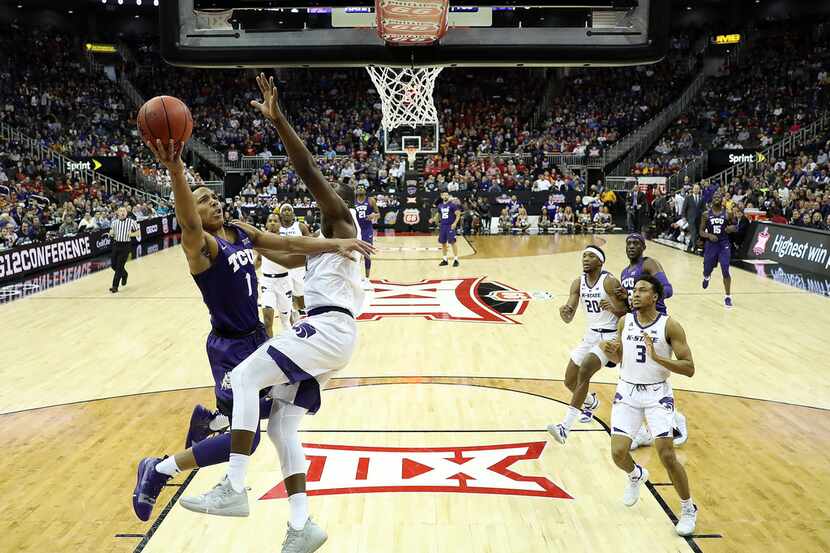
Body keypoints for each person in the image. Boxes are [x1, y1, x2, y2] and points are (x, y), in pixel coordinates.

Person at [130, 135, 370, 526]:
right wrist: (175, 167)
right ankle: (158, 469)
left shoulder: (240, 232)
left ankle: (212, 423)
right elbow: (188, 219)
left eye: (214, 196)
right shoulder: (201, 244)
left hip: (257, 337)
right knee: (252, 437)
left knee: (274, 420)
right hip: (227, 347)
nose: (213, 203)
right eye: (204, 199)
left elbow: (290, 245)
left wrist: (332, 244)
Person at [178, 74, 373, 553]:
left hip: (326, 327)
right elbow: (278, 247)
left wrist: (279, 120)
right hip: (334, 337)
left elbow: (307, 169)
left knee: (243, 379)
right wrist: (241, 237)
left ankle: (234, 488)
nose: (320, 198)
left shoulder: (342, 224)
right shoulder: (323, 249)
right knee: (282, 426)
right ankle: (303, 524)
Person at [598, 275, 698, 537]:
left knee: (666, 455)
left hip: (657, 395)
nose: (635, 294)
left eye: (642, 290)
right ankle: (635, 475)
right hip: (627, 391)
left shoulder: (670, 326)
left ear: (655, 297)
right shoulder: (624, 321)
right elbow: (620, 358)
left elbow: (689, 368)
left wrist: (657, 357)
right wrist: (608, 350)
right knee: (618, 452)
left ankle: (688, 508)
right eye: (634, 290)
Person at [547, 246, 627, 445]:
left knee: (584, 372)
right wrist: (564, 312)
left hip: (610, 337)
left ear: (600, 261)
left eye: (591, 256)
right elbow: (569, 316)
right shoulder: (578, 283)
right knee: (569, 381)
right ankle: (591, 403)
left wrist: (615, 309)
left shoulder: (609, 281)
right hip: (590, 336)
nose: (586, 259)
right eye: (584, 256)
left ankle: (565, 427)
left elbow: (627, 313)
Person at [617, 234, 688, 449]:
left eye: (636, 243)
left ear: (644, 247)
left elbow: (668, 289)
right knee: (630, 374)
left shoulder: (649, 263)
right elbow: (630, 305)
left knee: (653, 376)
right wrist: (624, 298)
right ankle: (640, 432)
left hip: (656, 324)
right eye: (628, 243)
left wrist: (650, 293)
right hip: (636, 324)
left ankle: (675, 420)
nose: (631, 247)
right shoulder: (624, 272)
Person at [258, 213, 294, 337]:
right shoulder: (261, 240)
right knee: (267, 320)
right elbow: (258, 261)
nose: (273, 223)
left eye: (275, 221)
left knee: (286, 321)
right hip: (267, 282)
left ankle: (291, 349)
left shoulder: (286, 241)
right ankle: (269, 349)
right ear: (266, 224)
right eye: (270, 220)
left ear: (280, 224)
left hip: (284, 281)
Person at [700, 191, 736, 307]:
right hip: (711, 244)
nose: (716, 198)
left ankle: (728, 296)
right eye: (714, 196)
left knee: (725, 268)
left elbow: (736, 226)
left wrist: (732, 227)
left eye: (719, 197)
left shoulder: (728, 213)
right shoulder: (706, 214)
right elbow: (701, 231)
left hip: (723, 243)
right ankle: (706, 276)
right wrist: (709, 235)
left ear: (722, 199)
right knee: (707, 268)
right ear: (712, 199)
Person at [277, 204, 312, 319]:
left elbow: (311, 244)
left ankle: (303, 313)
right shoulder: (276, 228)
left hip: (299, 266)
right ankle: (293, 318)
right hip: (282, 267)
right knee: (287, 294)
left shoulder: (301, 227)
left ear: (293, 214)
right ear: (280, 214)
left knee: (300, 294)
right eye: (284, 210)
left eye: (289, 210)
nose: (287, 212)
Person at [108, 207, 139, 293]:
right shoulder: (114, 222)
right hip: (116, 244)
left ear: (126, 213)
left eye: (124, 211)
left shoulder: (131, 222)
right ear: (117, 213)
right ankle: (124, 274)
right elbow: (112, 231)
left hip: (126, 245)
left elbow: (138, 232)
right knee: (113, 265)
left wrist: (132, 234)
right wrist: (111, 233)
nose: (122, 213)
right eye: (120, 211)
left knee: (119, 267)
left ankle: (115, 286)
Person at [354, 184, 379, 277]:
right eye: (358, 188)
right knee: (354, 253)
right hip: (355, 229)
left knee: (367, 253)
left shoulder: (370, 200)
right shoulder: (353, 201)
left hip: (366, 229)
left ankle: (367, 277)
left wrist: (374, 215)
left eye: (362, 188)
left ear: (365, 190)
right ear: (355, 191)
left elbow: (378, 214)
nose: (360, 189)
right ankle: (355, 276)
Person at [436, 191, 460, 266]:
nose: (445, 196)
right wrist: (434, 220)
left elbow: (458, 214)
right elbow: (438, 214)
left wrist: (455, 223)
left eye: (447, 195)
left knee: (452, 242)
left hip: (450, 225)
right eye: (444, 195)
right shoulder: (440, 205)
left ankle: (456, 259)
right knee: (443, 243)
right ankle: (445, 259)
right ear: (441, 196)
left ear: (449, 196)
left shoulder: (452, 205)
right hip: (443, 226)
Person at [683, 184, 704, 252]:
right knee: (693, 232)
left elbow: (704, 209)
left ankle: (689, 247)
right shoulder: (688, 197)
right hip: (691, 218)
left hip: (699, 218)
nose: (696, 190)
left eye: (698, 189)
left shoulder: (702, 198)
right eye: (695, 188)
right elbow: (684, 208)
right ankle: (695, 248)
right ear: (693, 189)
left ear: (699, 190)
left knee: (697, 233)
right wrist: (683, 217)